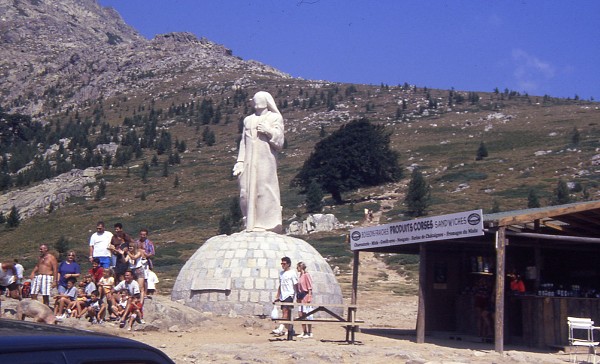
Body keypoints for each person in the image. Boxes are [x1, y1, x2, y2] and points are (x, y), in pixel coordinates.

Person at [233, 91, 284, 233]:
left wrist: (268, 131)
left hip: (265, 159)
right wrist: (240, 161)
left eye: (259, 99)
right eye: (254, 99)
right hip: (249, 160)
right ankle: (248, 221)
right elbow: (243, 142)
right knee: (245, 190)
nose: (256, 101)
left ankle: (268, 223)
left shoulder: (275, 117)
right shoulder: (248, 120)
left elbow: (280, 141)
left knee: (264, 189)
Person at [272, 256, 297, 337]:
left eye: (284, 263)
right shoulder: (281, 273)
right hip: (283, 296)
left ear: (288, 264)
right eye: (281, 263)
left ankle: (280, 328)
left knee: (285, 311)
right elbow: (280, 285)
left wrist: (295, 296)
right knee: (286, 314)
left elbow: (295, 285)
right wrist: (277, 296)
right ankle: (291, 330)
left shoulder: (292, 273)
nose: (282, 265)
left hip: (289, 295)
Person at [296, 261, 314, 339]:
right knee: (301, 314)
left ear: (301, 267)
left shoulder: (306, 275)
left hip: (305, 295)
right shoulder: (300, 275)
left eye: (297, 267)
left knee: (307, 314)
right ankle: (304, 331)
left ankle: (309, 332)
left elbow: (309, 287)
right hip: (300, 296)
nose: (297, 268)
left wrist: (309, 296)